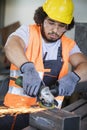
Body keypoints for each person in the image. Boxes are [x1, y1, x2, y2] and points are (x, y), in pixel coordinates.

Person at [1, 0, 87, 129]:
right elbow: (11, 46)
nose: (55, 30)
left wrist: (74, 77)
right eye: (51, 22)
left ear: (67, 26)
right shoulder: (27, 32)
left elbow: (83, 64)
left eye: (61, 25)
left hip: (49, 116)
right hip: (15, 112)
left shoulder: (68, 44)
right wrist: (28, 68)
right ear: (41, 19)